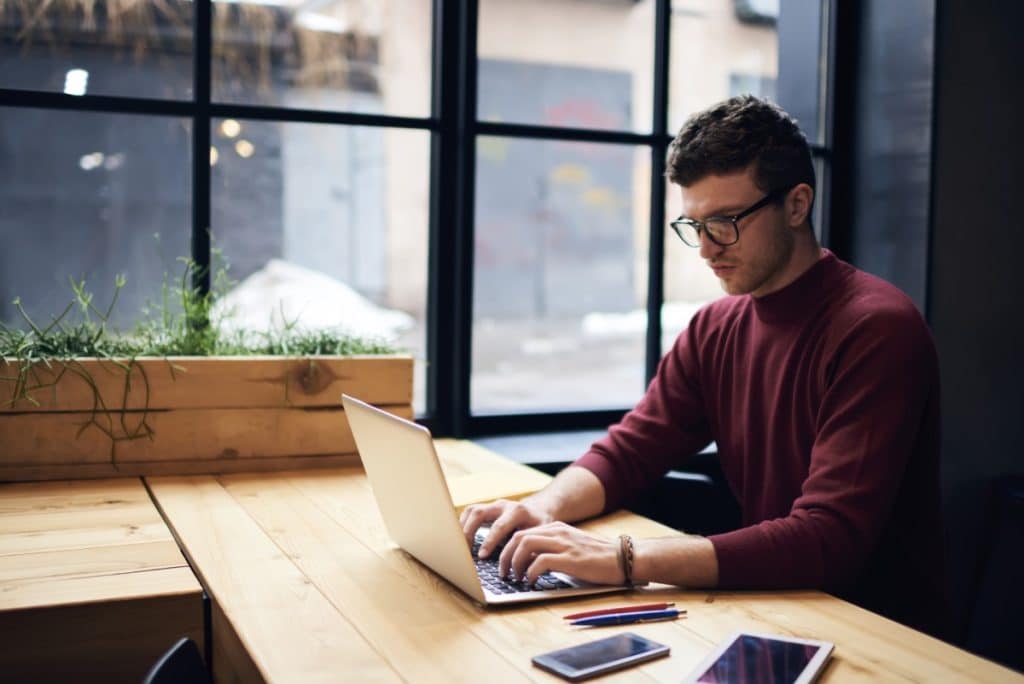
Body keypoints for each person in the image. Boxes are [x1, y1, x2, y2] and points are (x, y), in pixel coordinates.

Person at [460, 95, 947, 637]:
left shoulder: (876, 328)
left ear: (797, 204)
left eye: (725, 222)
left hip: (877, 631)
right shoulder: (716, 327)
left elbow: (827, 540)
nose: (707, 250)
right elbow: (630, 451)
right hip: (776, 610)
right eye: (694, 225)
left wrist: (623, 559)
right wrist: (544, 508)